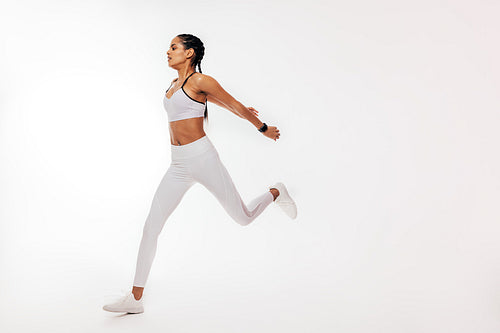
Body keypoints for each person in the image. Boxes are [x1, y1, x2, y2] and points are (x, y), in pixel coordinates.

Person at [103, 34, 297, 314]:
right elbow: (206, 103)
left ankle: (276, 191)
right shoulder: (173, 85)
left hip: (202, 158)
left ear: (190, 53)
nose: (167, 51)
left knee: (242, 218)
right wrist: (229, 107)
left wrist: (262, 127)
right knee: (151, 226)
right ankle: (135, 299)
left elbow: (233, 104)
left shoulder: (200, 81)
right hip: (178, 165)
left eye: (174, 47)